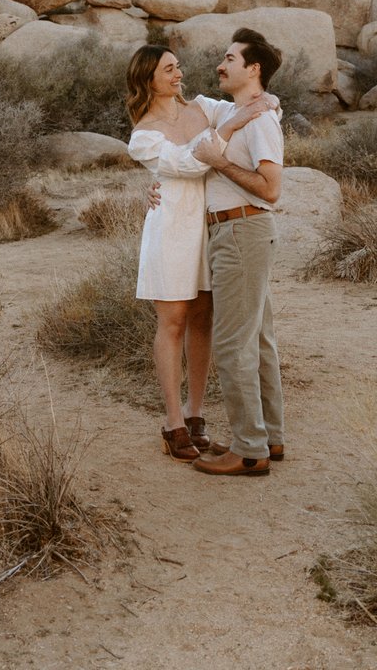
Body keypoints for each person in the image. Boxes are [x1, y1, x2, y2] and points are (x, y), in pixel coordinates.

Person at [125, 44, 272, 463]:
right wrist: (227, 131)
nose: (178, 75)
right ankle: (172, 423)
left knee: (204, 320)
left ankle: (195, 414)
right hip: (171, 229)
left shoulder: (203, 107)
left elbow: (251, 107)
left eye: (178, 67)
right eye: (168, 70)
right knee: (173, 322)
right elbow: (189, 163)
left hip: (210, 228)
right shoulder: (143, 134)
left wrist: (264, 100)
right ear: (148, 79)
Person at [188, 29, 286, 477]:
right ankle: (270, 438)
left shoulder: (262, 122)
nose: (219, 65)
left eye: (229, 58)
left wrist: (221, 162)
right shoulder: (232, 110)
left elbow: (271, 189)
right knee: (258, 341)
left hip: (242, 231)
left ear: (253, 69)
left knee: (232, 345)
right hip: (239, 233)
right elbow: (183, 123)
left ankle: (249, 450)